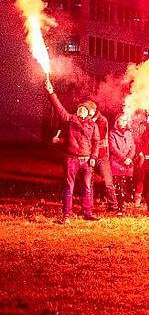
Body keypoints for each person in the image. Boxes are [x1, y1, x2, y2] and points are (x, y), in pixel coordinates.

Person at [45, 79, 100, 223]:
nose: (81, 110)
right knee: (69, 187)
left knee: (87, 187)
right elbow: (59, 108)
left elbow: (96, 142)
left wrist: (94, 156)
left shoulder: (93, 125)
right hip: (71, 159)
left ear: (88, 113)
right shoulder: (70, 119)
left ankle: (88, 213)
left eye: (84, 109)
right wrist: (51, 93)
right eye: (79, 108)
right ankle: (66, 215)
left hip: (87, 160)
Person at [88, 102, 120, 213]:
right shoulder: (85, 120)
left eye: (89, 110)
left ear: (94, 110)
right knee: (89, 182)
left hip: (102, 156)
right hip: (88, 156)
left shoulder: (102, 120)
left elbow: (99, 136)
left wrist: (88, 125)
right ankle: (89, 206)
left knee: (107, 182)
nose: (88, 112)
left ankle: (113, 205)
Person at [108, 115, 136, 211]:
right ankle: (119, 205)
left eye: (124, 120)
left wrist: (129, 158)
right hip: (117, 162)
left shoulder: (128, 133)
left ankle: (125, 203)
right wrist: (123, 158)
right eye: (121, 120)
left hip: (127, 162)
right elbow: (113, 148)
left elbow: (133, 147)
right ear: (117, 121)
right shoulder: (112, 133)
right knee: (118, 184)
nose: (123, 122)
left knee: (126, 184)